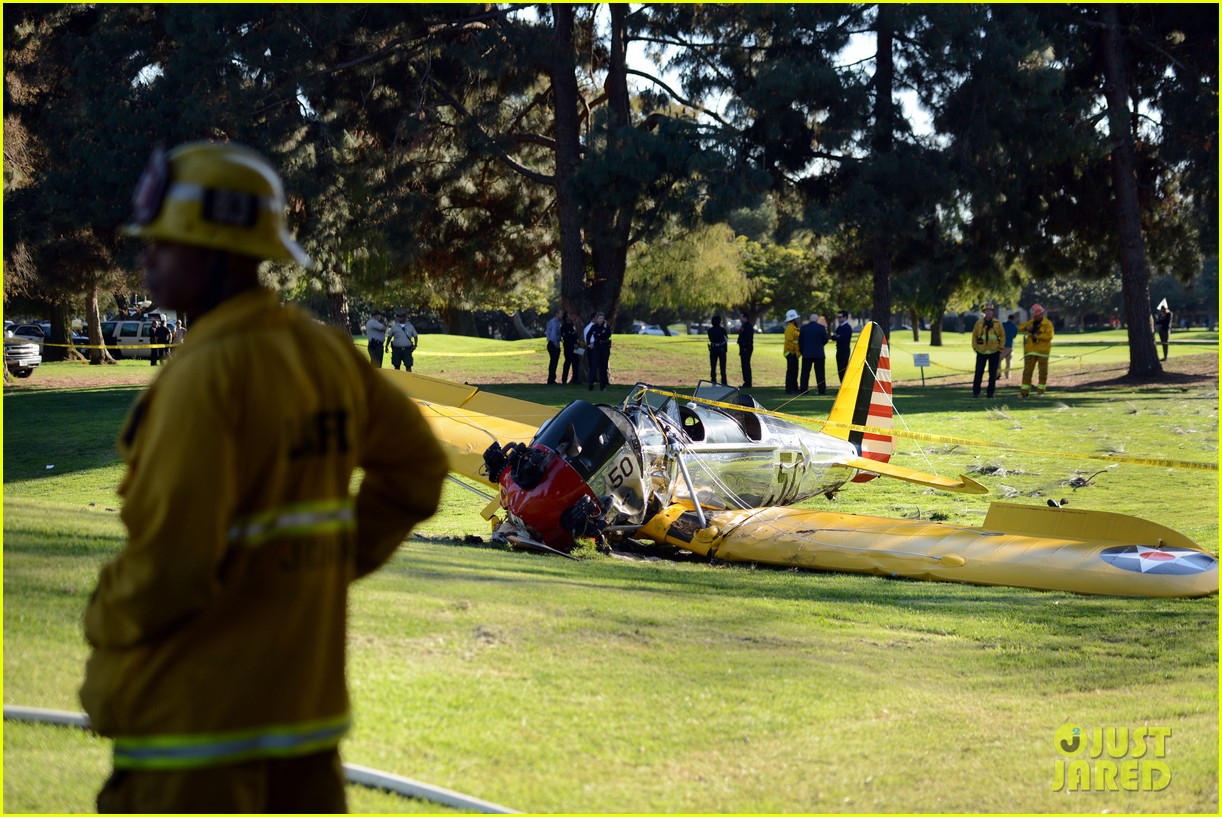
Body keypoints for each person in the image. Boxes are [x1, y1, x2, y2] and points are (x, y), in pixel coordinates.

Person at [81, 141, 448, 813]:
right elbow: (419, 469)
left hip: (193, 742)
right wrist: (331, 560)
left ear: (218, 251)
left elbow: (171, 564)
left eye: (165, 241)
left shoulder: (201, 376)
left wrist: (102, 619)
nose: (147, 258)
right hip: (303, 726)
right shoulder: (327, 355)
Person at [1017, 303, 1055, 398]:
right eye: (1034, 316)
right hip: (1031, 351)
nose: (1035, 317)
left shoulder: (1048, 324)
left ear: (1041, 314)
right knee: (1027, 372)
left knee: (1043, 373)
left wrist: (1037, 336)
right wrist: (1026, 327)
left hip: (1043, 352)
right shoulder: (1030, 323)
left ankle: (1040, 392)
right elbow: (1020, 327)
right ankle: (1024, 392)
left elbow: (1049, 336)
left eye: (1037, 315)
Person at [970, 304, 1005, 398]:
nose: (988, 312)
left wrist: (1000, 348)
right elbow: (974, 336)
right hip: (981, 351)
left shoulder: (997, 323)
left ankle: (990, 393)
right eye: (987, 310)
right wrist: (975, 347)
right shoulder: (979, 323)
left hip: (994, 351)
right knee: (978, 373)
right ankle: (976, 392)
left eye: (990, 311)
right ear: (984, 312)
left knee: (992, 374)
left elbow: (1002, 336)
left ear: (992, 312)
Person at [798, 313, 830, 395]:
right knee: (820, 373)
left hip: (807, 353)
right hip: (819, 353)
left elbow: (800, 341)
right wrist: (820, 345)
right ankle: (821, 390)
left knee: (805, 373)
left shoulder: (804, 328)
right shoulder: (821, 328)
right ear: (817, 319)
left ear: (810, 319)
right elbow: (826, 339)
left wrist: (803, 351)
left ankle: (803, 390)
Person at [585, 311, 612, 391]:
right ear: (597, 319)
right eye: (599, 318)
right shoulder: (594, 327)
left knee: (603, 367)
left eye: (602, 318)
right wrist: (588, 344)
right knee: (594, 365)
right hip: (596, 346)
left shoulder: (606, 327)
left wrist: (605, 328)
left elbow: (607, 335)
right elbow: (588, 335)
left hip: (604, 347)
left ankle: (602, 386)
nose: (601, 320)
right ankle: (591, 383)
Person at [707, 314, 728, 385]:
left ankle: (713, 380)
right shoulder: (722, 330)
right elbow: (726, 339)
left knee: (713, 366)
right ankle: (724, 381)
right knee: (723, 366)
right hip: (721, 348)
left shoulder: (710, 330)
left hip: (713, 348)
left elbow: (710, 339)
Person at [783, 308, 801, 394]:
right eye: (796, 318)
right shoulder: (790, 329)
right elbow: (789, 341)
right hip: (791, 353)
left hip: (794, 353)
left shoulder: (794, 328)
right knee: (791, 371)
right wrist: (792, 351)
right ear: (793, 319)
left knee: (794, 371)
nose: (798, 319)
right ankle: (790, 388)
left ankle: (794, 387)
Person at [833, 311, 852, 383]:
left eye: (840, 317)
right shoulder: (839, 327)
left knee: (843, 368)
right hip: (839, 350)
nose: (838, 319)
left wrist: (837, 336)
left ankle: (845, 383)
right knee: (839, 368)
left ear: (845, 317)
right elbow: (833, 337)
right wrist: (837, 336)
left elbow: (843, 338)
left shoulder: (847, 327)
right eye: (837, 317)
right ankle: (842, 383)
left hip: (844, 350)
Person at [545, 308, 563, 384]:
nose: (562, 315)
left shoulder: (555, 322)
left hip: (552, 343)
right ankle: (551, 379)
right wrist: (556, 345)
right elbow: (553, 335)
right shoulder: (554, 322)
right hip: (553, 344)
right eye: (560, 313)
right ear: (556, 314)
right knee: (553, 362)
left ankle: (552, 378)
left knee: (553, 362)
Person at [737, 310, 755, 388]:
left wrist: (744, 345)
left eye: (741, 317)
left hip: (746, 348)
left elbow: (748, 338)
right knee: (744, 365)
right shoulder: (744, 326)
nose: (740, 318)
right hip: (743, 348)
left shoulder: (748, 326)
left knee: (746, 365)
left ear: (745, 317)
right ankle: (746, 381)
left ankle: (748, 382)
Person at [560, 312, 579, 384]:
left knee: (576, 363)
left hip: (576, 348)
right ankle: (564, 379)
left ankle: (575, 379)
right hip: (568, 348)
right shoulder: (564, 327)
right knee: (567, 362)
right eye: (569, 315)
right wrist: (573, 344)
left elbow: (575, 335)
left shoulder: (573, 325)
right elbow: (566, 338)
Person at [1001, 312, 1019, 379]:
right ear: (1013, 319)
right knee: (1008, 362)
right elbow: (1014, 336)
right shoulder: (1015, 327)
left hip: (1003, 345)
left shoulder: (1003, 325)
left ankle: (998, 373)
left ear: (1008, 318)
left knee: (998, 360)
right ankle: (1007, 375)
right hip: (1010, 346)